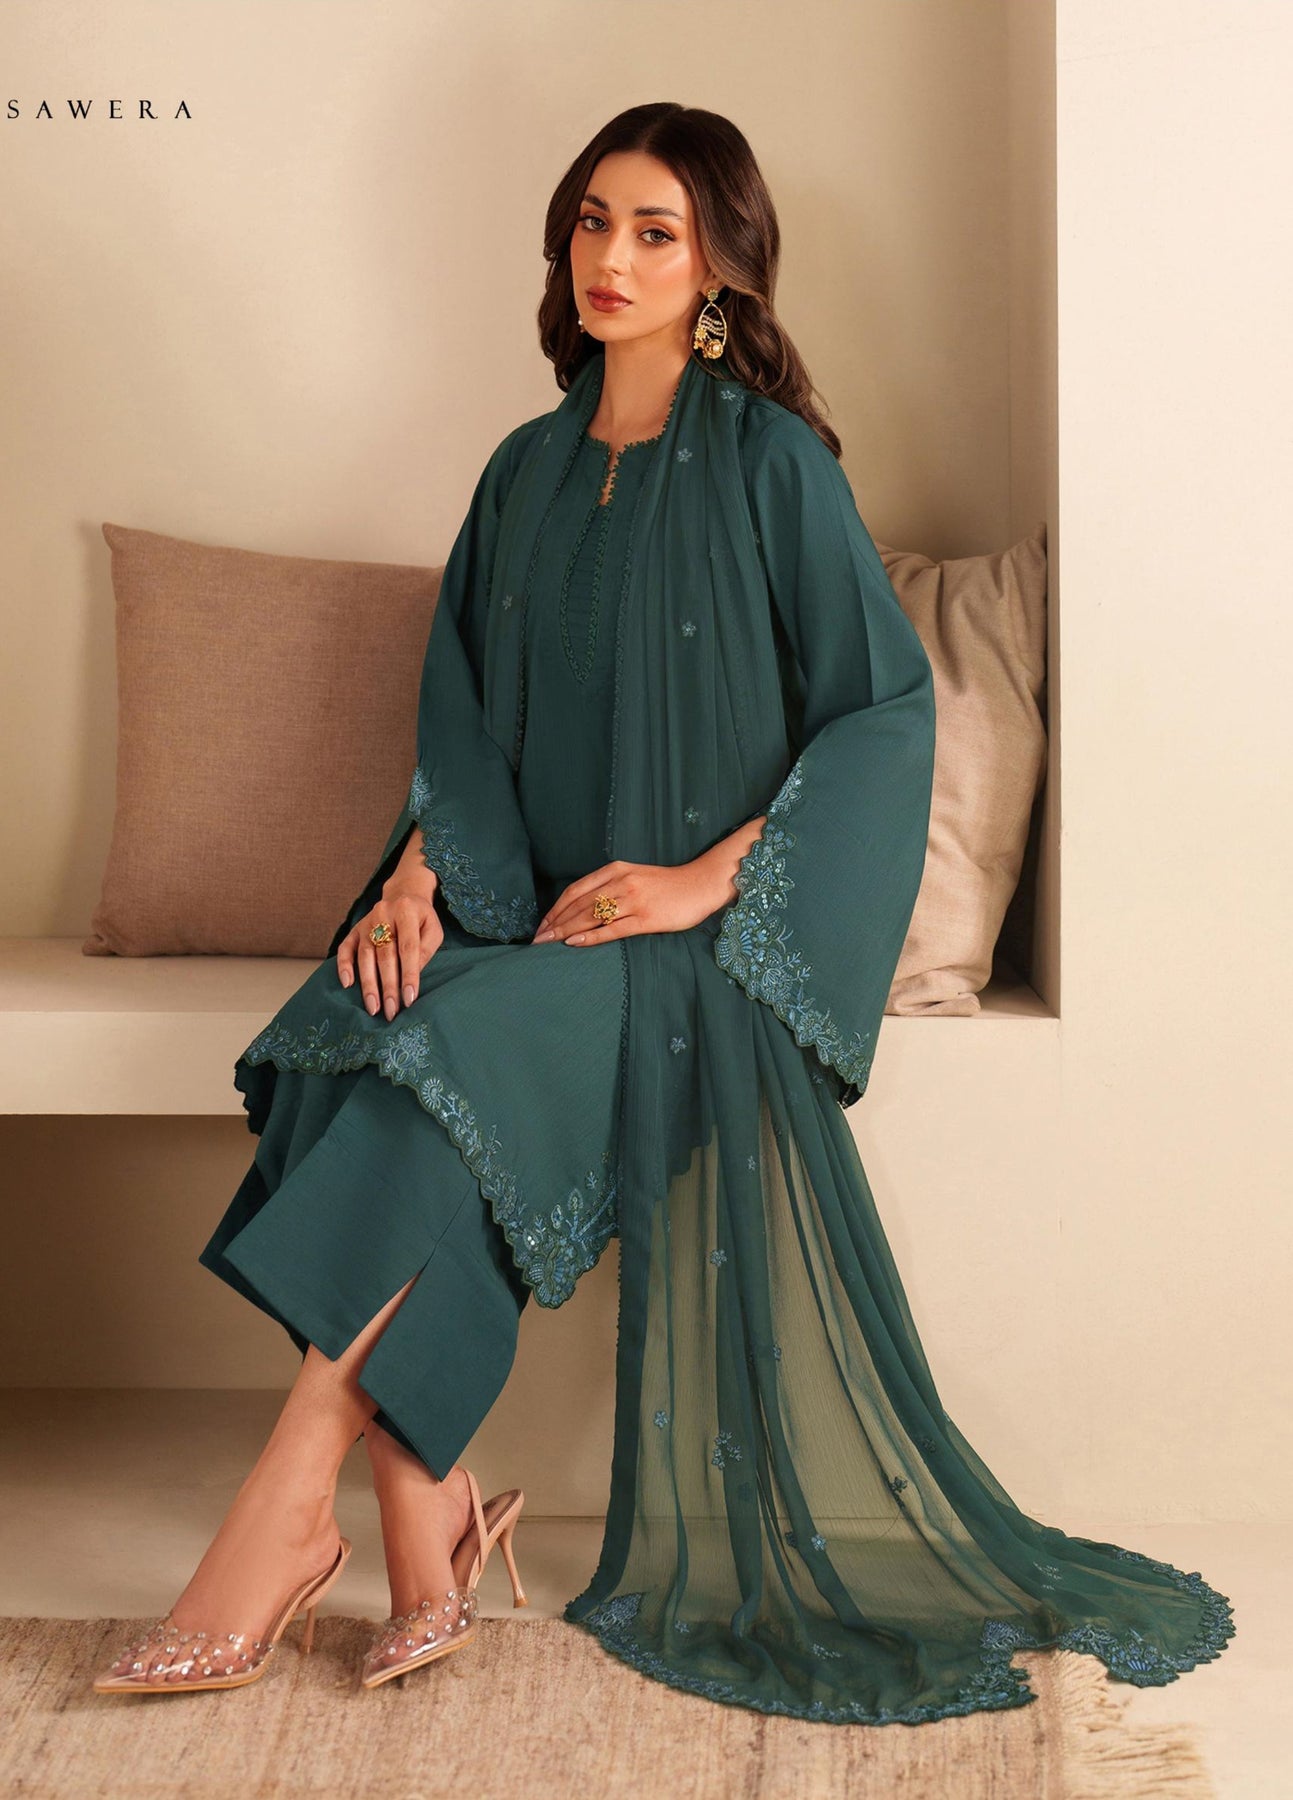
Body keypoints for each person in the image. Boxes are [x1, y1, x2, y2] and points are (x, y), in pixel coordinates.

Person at [93, 102, 1235, 1719]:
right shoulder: (523, 469)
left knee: (450, 1050)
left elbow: (880, 715)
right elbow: (461, 725)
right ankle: (423, 1514)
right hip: (525, 917)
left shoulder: (773, 466)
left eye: (655, 232)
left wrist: (707, 879)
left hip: (696, 958)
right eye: (592, 222)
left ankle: (286, 1505)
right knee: (364, 1010)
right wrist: (418, 879)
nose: (612, 258)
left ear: (717, 270)